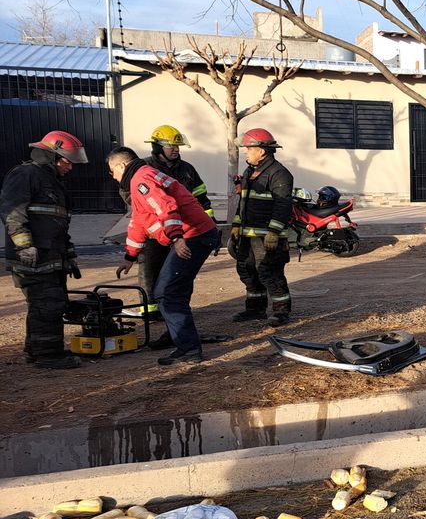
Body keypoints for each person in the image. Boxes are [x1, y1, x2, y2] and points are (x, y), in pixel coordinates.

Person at [108, 147, 220, 365]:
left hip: (192, 236)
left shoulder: (141, 179)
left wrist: (177, 238)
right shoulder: (142, 177)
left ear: (121, 166)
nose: (112, 176)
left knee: (167, 293)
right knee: (174, 291)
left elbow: (165, 206)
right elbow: (140, 221)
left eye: (112, 170)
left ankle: (188, 348)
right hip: (195, 234)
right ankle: (180, 340)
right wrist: (130, 256)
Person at [0, 131, 86, 369]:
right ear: (52, 155)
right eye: (67, 161)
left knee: (46, 304)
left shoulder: (54, 183)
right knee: (48, 304)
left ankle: (37, 350)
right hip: (32, 257)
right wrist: (24, 245)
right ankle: (49, 356)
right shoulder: (25, 174)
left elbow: (59, 225)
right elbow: (12, 212)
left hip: (50, 257)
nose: (70, 167)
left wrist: (68, 256)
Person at [121, 125, 215, 323]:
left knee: (179, 273)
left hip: (185, 233)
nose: (176, 150)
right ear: (157, 147)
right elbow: (135, 198)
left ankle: (176, 307)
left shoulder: (187, 169)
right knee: (150, 270)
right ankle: (151, 309)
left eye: (178, 146)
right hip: (156, 231)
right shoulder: (144, 169)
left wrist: (208, 223)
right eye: (171, 146)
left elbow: (200, 197)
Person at [230, 128, 294, 327]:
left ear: (262, 151)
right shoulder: (251, 172)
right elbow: (245, 201)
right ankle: (255, 309)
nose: (246, 152)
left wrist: (274, 232)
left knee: (269, 271)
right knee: (247, 270)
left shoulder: (279, 174)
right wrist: (236, 224)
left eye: (250, 148)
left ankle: (281, 311)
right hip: (248, 235)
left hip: (268, 236)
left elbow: (283, 205)